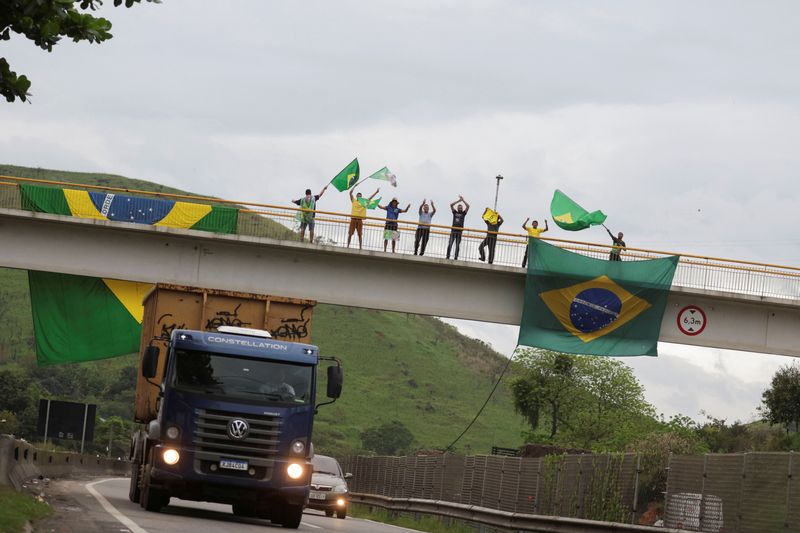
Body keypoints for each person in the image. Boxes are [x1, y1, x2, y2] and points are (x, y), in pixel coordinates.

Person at [447, 196, 469, 260]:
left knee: (457, 245)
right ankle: (447, 256)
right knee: (450, 243)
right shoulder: (455, 212)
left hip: (459, 232)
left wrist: (463, 200)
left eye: (461, 207)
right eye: (459, 207)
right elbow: (451, 205)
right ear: (457, 208)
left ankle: (456, 257)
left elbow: (468, 206)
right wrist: (459, 201)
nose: (460, 208)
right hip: (453, 231)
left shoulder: (463, 213)